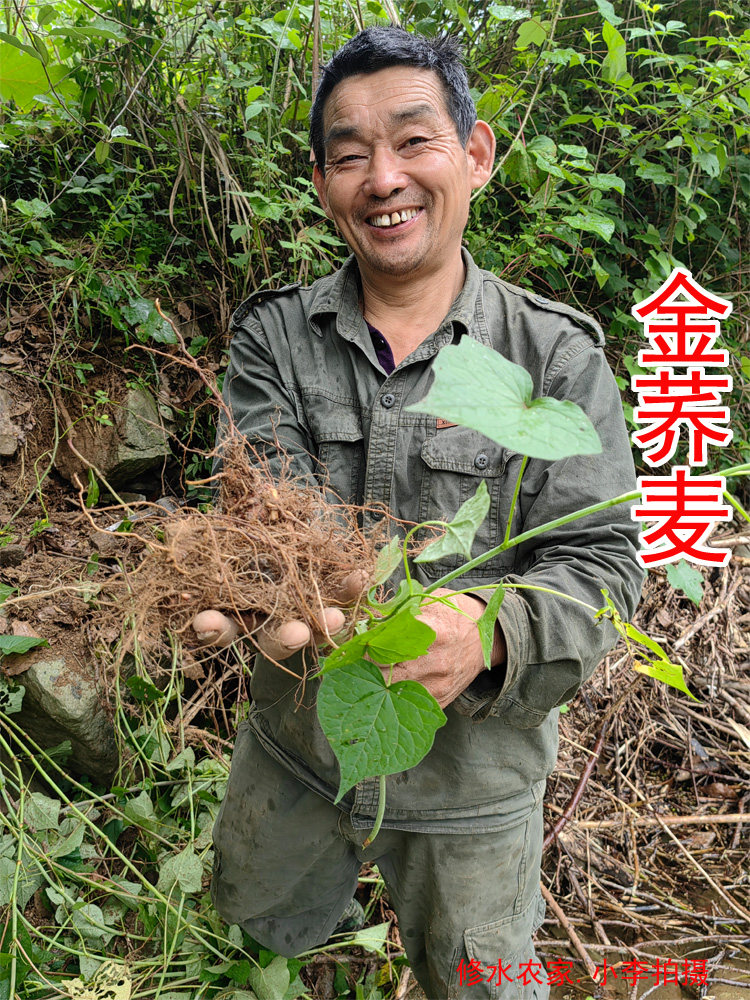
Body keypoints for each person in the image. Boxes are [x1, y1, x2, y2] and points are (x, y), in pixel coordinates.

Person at [197, 25, 643, 1000]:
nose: (382, 177)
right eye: (349, 154)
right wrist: (249, 567)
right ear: (321, 183)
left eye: (414, 141)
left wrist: (488, 631)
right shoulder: (275, 332)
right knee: (247, 941)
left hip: (474, 790)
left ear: (475, 155)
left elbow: (604, 558)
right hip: (298, 750)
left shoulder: (553, 358)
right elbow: (249, 496)